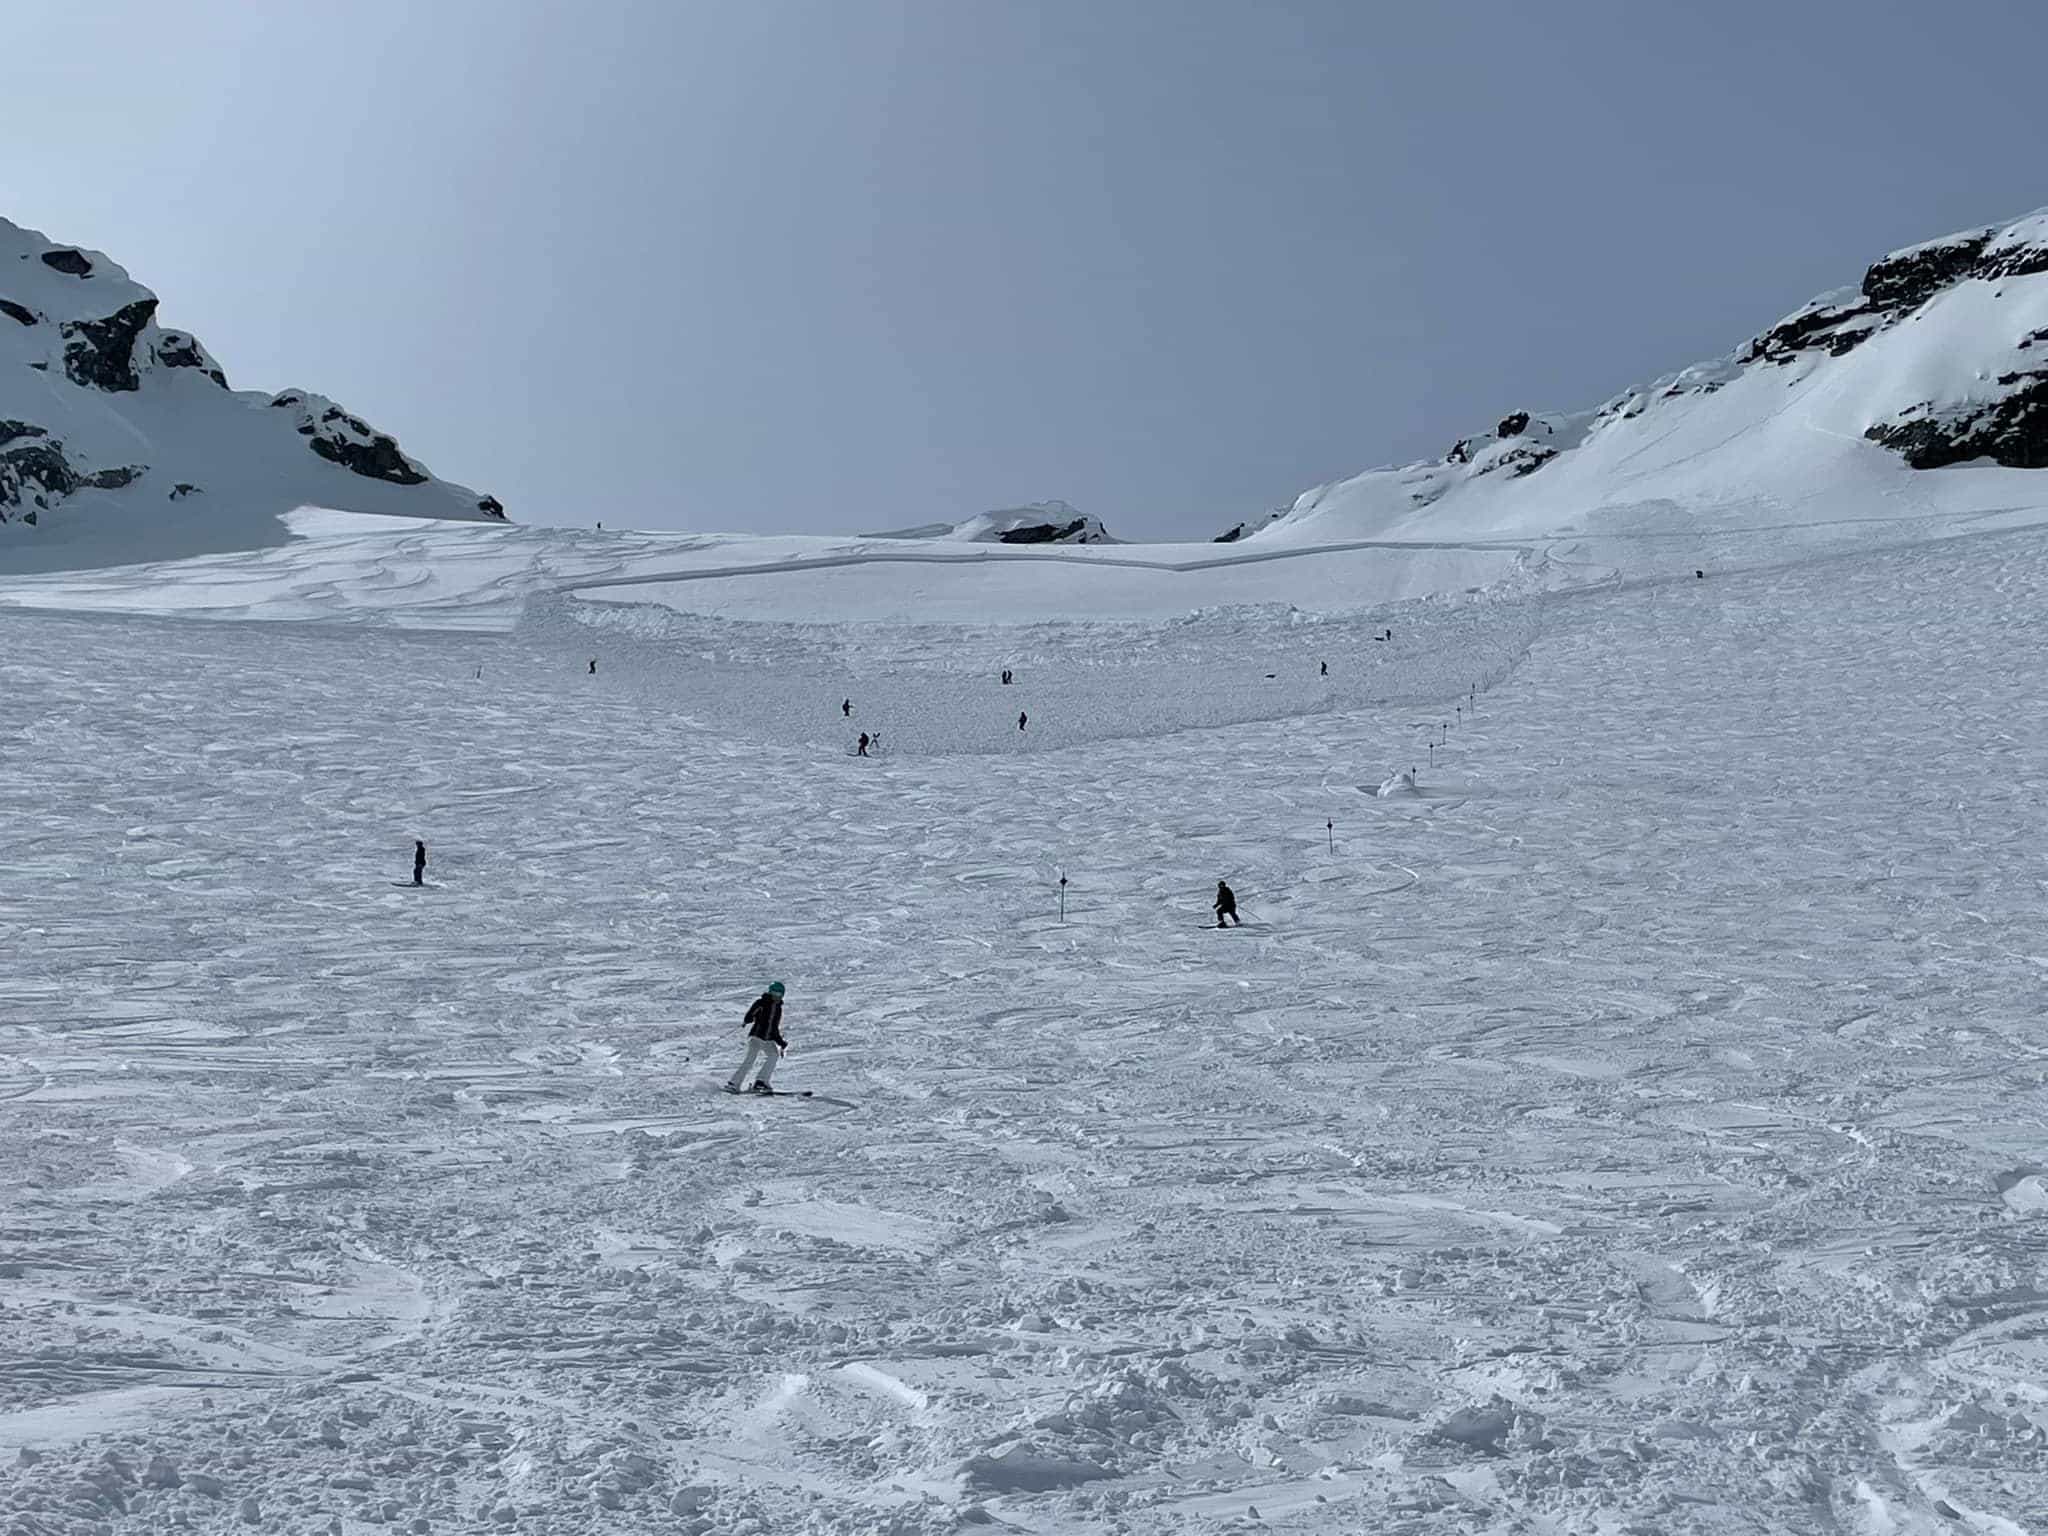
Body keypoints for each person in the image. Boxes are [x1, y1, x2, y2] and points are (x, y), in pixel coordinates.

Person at [725, 982, 787, 1094]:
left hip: (768, 1040)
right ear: (770, 992)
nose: (777, 996)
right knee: (750, 1059)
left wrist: (781, 1042)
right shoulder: (761, 1003)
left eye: (779, 994)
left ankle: (761, 1081)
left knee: (773, 1055)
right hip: (757, 1037)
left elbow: (774, 1028)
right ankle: (734, 1083)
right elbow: (750, 1015)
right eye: (774, 993)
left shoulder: (778, 1009)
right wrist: (748, 1019)